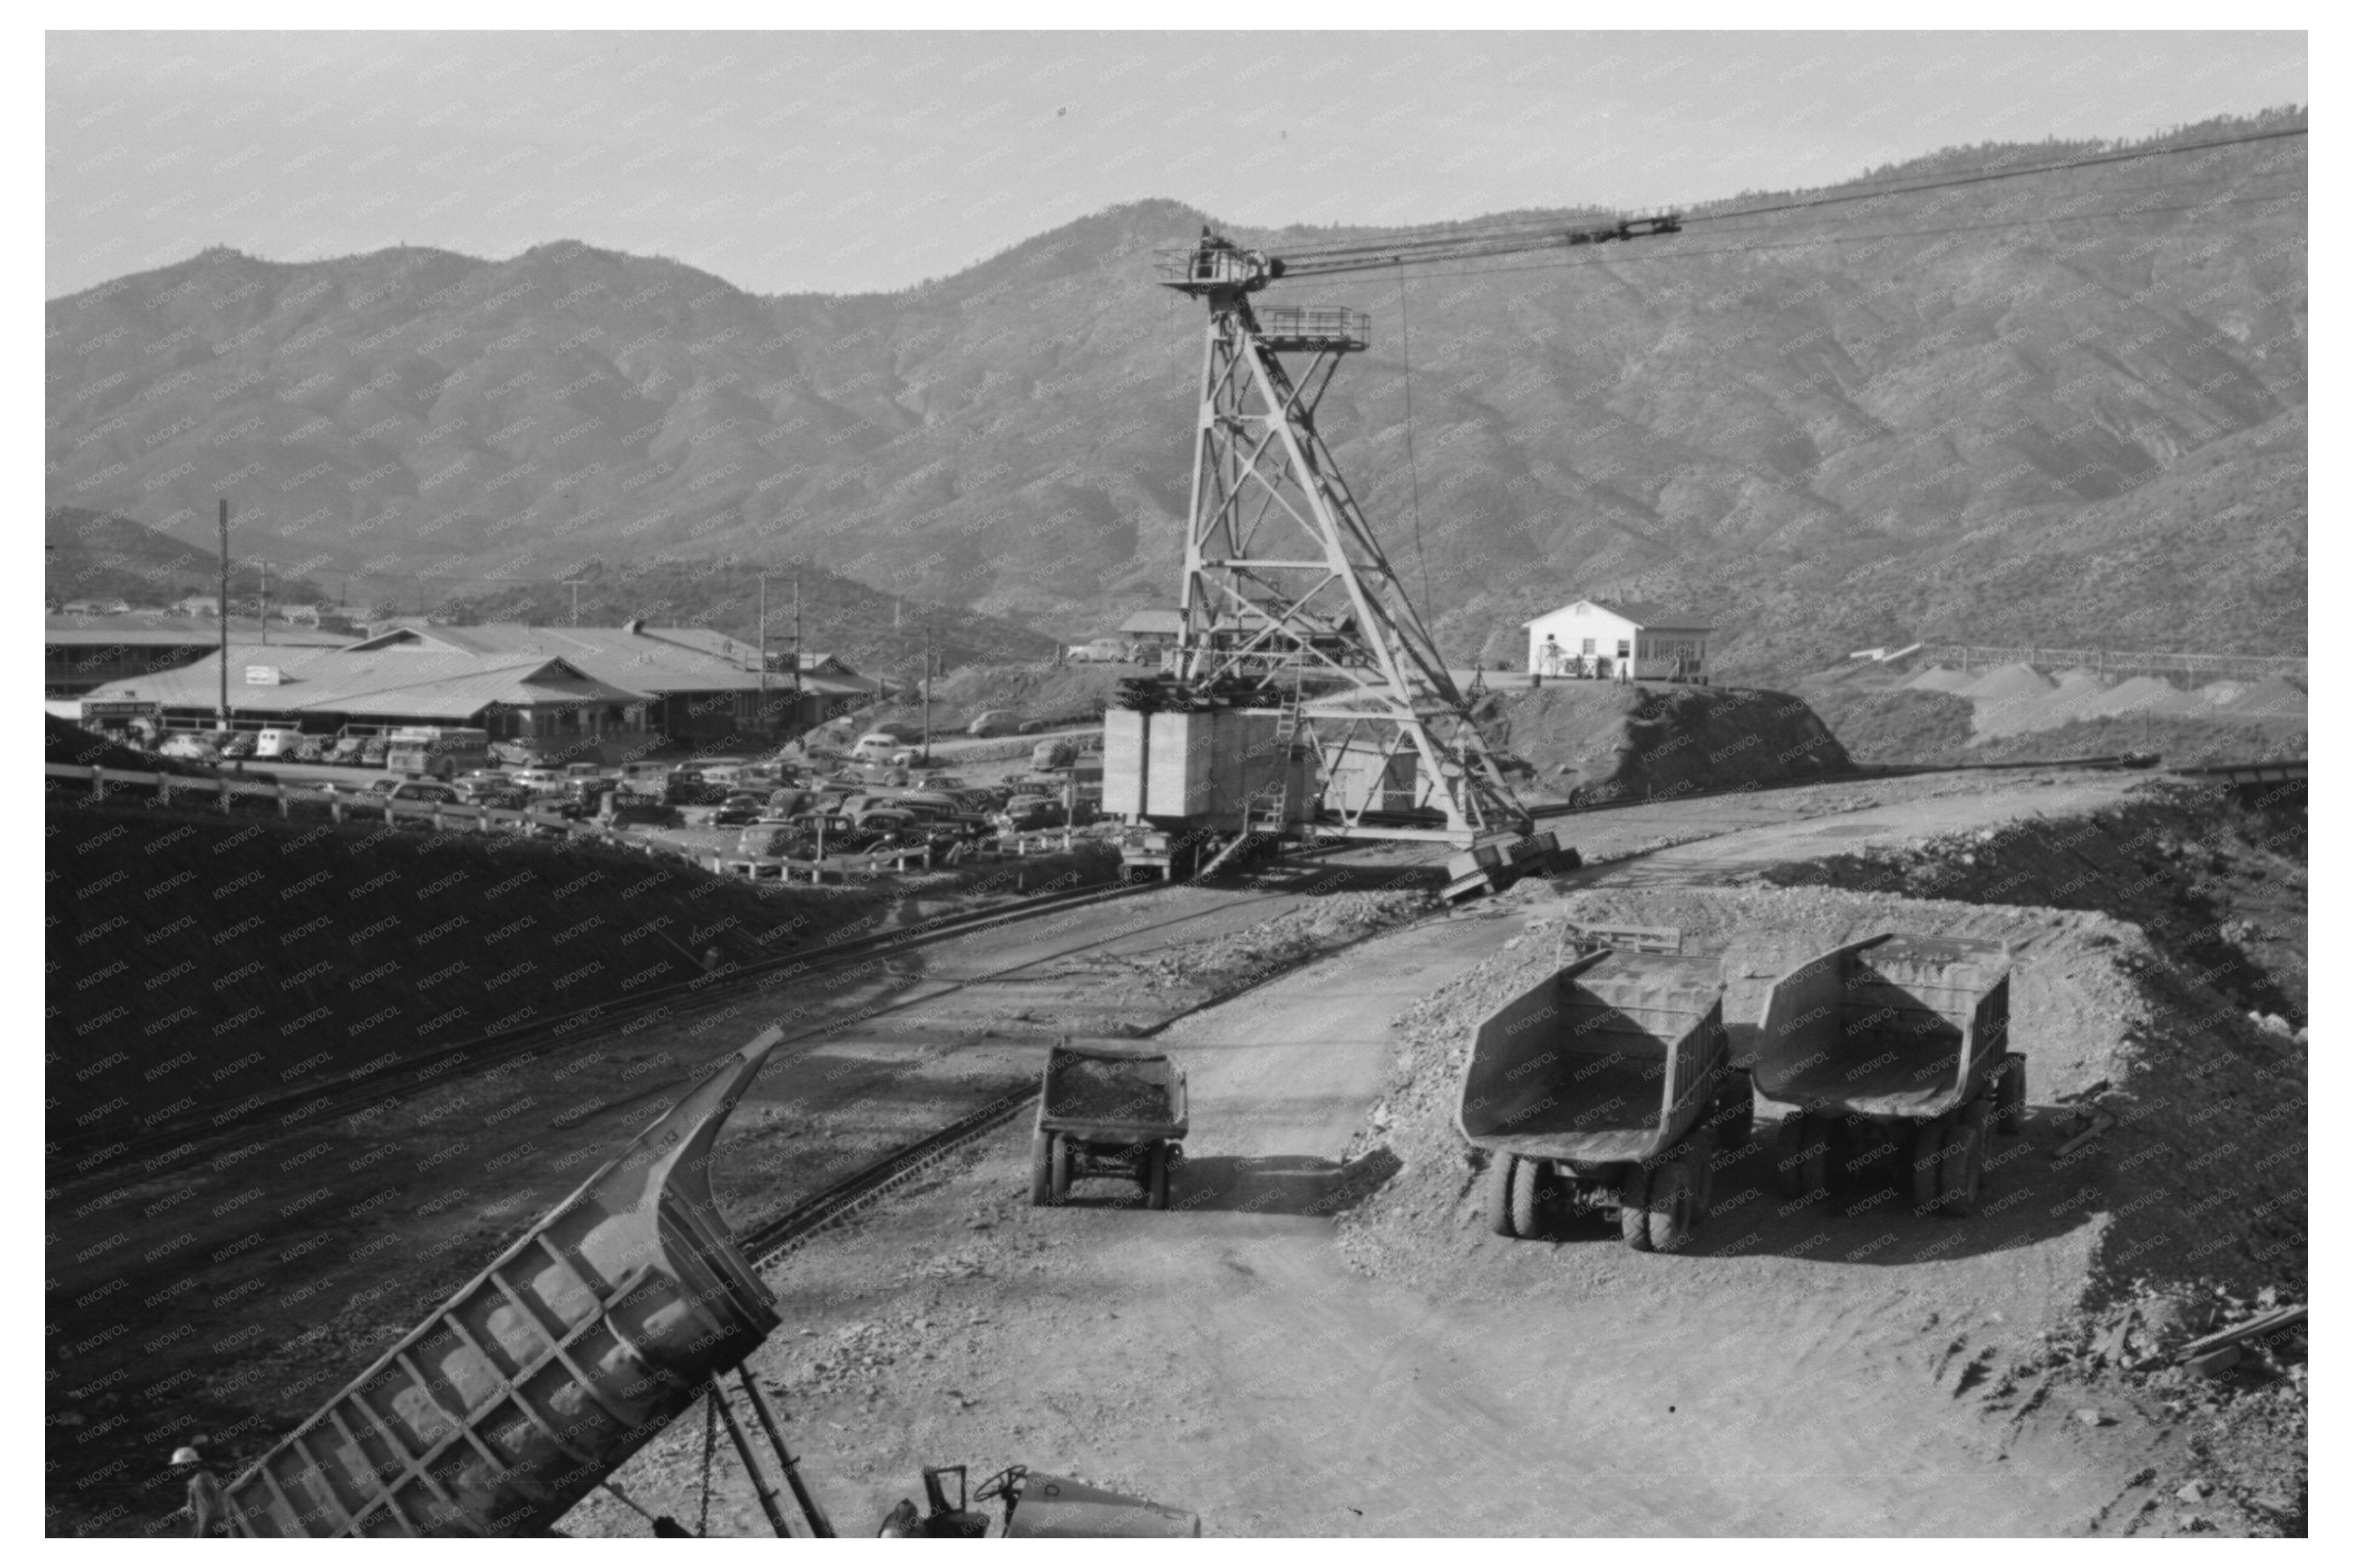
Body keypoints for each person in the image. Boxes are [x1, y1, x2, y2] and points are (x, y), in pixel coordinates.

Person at [171, 1446, 227, 1538]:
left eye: (180, 1467)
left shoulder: (198, 1482)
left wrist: (201, 1536)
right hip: (220, 1527)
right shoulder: (207, 1475)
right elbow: (196, 1506)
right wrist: (179, 1514)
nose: (178, 1471)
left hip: (212, 1530)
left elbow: (207, 1512)